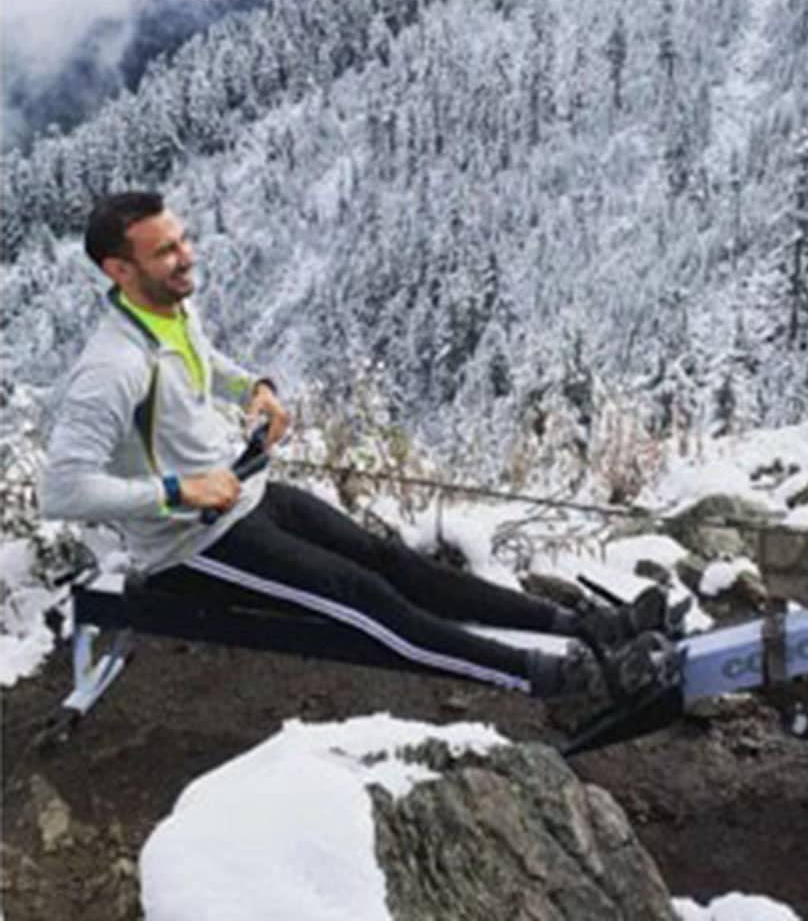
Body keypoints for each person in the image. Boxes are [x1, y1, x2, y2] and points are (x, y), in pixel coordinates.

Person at [41, 192, 680, 705]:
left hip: (248, 491)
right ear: (118, 271)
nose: (185, 257)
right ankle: (557, 679)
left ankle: (589, 630)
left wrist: (253, 388)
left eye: (183, 240)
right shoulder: (110, 367)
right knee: (363, 599)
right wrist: (180, 491)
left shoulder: (170, 311)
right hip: (192, 543)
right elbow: (62, 491)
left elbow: (202, 360)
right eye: (165, 252)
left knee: (391, 562)